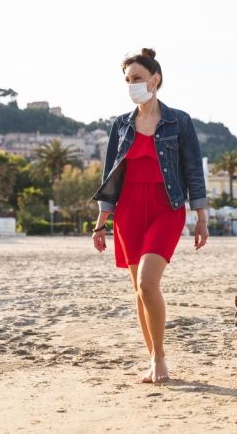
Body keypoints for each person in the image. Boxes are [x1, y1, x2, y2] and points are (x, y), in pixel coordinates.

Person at [91, 48, 209, 383]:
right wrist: (101, 223)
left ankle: (160, 358)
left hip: (166, 208)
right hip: (128, 211)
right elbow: (110, 177)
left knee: (147, 282)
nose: (133, 86)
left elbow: (193, 171)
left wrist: (201, 217)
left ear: (155, 80)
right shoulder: (121, 125)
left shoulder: (179, 121)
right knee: (138, 290)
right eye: (128, 80)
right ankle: (153, 357)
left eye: (138, 79)